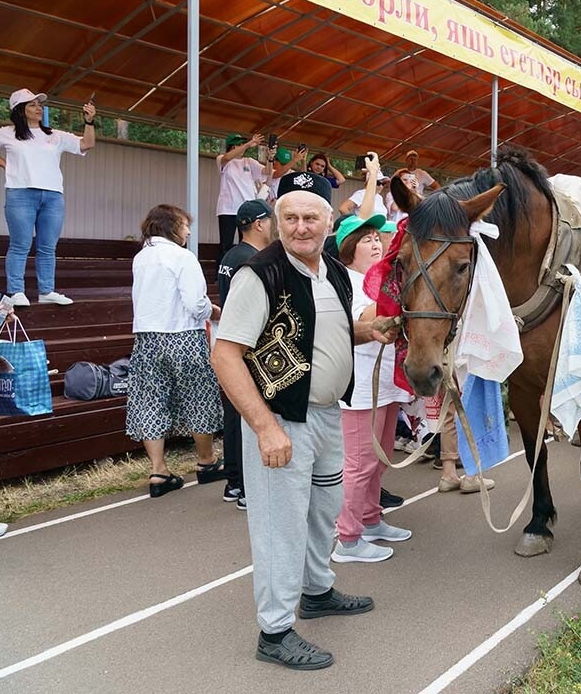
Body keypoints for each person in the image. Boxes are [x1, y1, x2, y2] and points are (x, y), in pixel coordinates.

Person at [211, 170, 398, 670]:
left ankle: (316, 591)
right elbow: (225, 354)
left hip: (325, 414)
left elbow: (326, 332)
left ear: (328, 219)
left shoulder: (332, 270)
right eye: (289, 217)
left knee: (322, 509)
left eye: (310, 216)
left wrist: (367, 330)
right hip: (282, 419)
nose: (300, 227)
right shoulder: (260, 273)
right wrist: (265, 428)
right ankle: (274, 632)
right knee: (281, 526)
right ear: (275, 221)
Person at [331, 211, 413, 563]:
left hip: (386, 382)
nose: (376, 243)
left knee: (380, 458)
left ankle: (370, 518)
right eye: (366, 239)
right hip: (361, 388)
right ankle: (347, 538)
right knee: (360, 462)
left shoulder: (381, 280)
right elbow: (368, 319)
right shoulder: (347, 281)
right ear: (349, 247)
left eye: (378, 238)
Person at [127, 204, 224, 497]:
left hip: (146, 339)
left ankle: (159, 471)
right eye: (184, 225)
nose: (188, 231)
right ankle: (206, 462)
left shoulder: (141, 258)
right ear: (171, 226)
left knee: (150, 402)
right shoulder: (182, 257)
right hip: (183, 336)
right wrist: (213, 310)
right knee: (198, 398)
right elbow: (196, 304)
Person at [0, 89, 97, 306]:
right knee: (20, 244)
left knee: (47, 247)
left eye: (39, 104)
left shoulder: (54, 135)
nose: (38, 107)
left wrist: (89, 122)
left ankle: (46, 291)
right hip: (20, 192)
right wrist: (6, 165)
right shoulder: (5, 133)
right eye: (32, 105)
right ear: (19, 111)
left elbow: (86, 144)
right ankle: (15, 292)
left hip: (52, 196)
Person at [215, 199, 275, 508]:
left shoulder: (230, 255)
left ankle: (235, 482)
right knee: (249, 416)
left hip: (231, 340)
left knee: (234, 415)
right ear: (260, 223)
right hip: (247, 345)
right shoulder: (253, 259)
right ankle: (246, 487)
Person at [216, 132, 266, 258]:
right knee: (225, 244)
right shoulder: (223, 159)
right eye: (240, 144)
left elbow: (267, 172)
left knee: (245, 243)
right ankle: (221, 273)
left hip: (246, 209)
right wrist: (249, 144)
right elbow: (226, 158)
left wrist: (270, 158)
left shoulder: (249, 162)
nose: (243, 147)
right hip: (228, 209)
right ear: (233, 147)